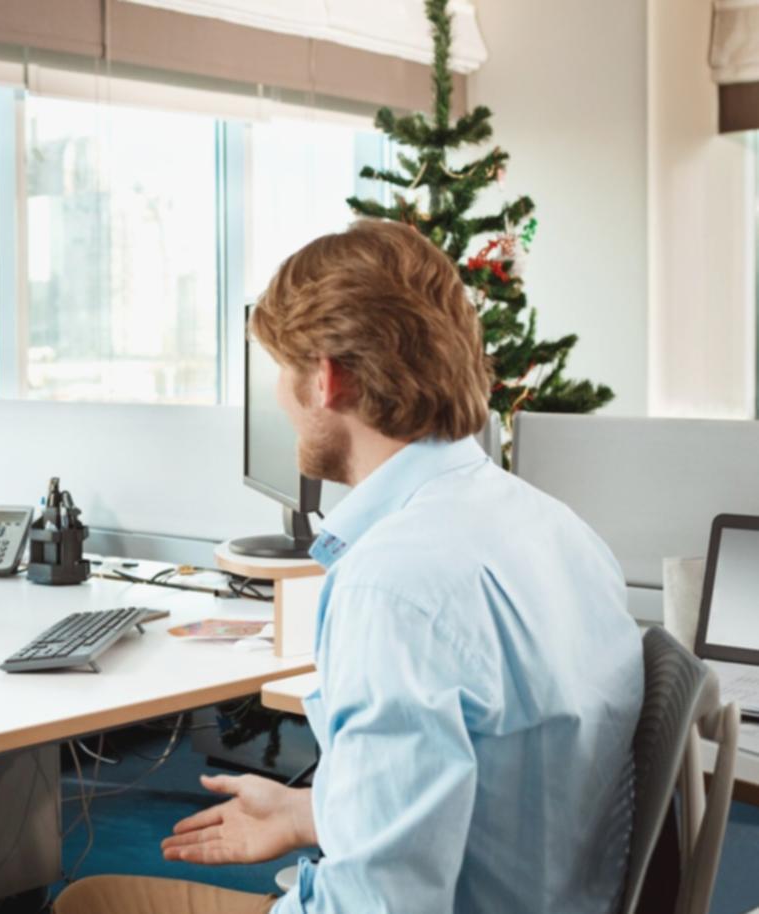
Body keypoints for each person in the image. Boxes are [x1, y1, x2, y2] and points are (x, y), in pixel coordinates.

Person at [56, 219, 643, 914]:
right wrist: (309, 814)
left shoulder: (394, 585)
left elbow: (380, 904)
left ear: (328, 380)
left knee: (89, 901)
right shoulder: (556, 528)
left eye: (282, 367)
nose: (278, 395)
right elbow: (499, 780)